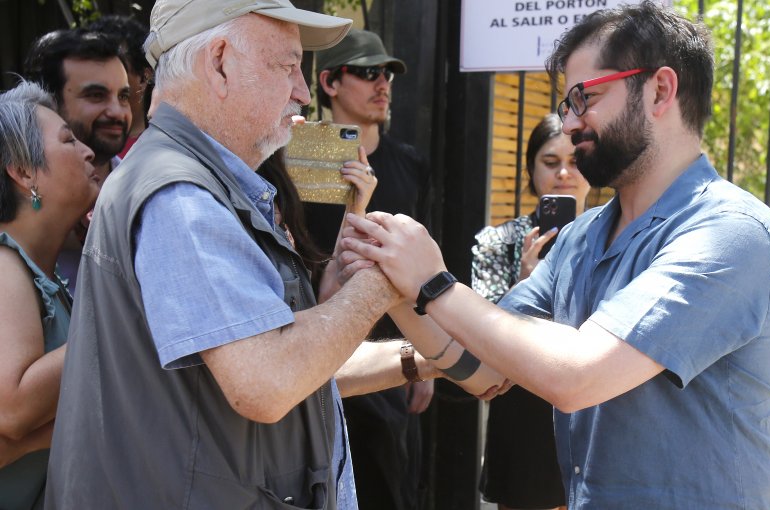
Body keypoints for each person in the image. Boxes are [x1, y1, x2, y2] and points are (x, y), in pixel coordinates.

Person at [43, 1, 506, 508]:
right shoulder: (182, 197)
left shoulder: (196, 184)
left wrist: (407, 351)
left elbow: (256, 361)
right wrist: (384, 282)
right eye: (287, 66)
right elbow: (266, 382)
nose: (303, 91)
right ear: (219, 62)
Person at [342, 2, 770, 508]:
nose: (571, 120)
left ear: (660, 90)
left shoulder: (729, 233)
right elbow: (482, 368)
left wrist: (433, 283)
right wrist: (397, 284)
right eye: (566, 103)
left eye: (586, 96)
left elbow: (579, 376)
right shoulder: (581, 237)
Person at [311, 29, 433, 510]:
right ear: (329, 82)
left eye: (386, 73)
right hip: (318, 345)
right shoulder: (302, 156)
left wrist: (425, 356)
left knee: (392, 483)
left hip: (391, 348)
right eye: (366, 72)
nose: (382, 83)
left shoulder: (408, 162)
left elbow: (425, 267)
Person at [474, 114, 589, 510]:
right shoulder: (497, 242)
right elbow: (478, 332)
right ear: (531, 169)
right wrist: (525, 286)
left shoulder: (616, 240)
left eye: (574, 161)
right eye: (550, 161)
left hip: (591, 415)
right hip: (523, 418)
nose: (563, 173)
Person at [0, 80, 99, 509]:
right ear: (23, 172)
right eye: (67, 140)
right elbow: (15, 406)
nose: (88, 150)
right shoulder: (4, 263)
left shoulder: (44, 272)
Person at [24, 28, 132, 290]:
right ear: (48, 103)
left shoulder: (143, 193)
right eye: (96, 95)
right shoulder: (18, 204)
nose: (117, 111)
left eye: (123, 96)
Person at [87, 15, 153, 157]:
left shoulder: (161, 150)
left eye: (117, 67)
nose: (99, 78)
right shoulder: (77, 147)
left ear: (144, 77)